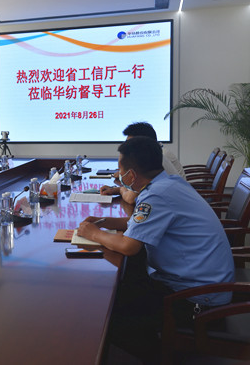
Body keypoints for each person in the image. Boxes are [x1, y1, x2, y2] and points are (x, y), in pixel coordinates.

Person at [77, 136, 234, 362]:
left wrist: (93, 234)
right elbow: (140, 224)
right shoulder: (168, 184)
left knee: (105, 316)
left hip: (199, 301)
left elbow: (129, 246)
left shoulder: (156, 195)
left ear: (131, 175)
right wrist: (104, 222)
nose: (118, 176)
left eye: (120, 170)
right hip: (202, 285)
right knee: (122, 288)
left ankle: (158, 357)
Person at [100, 122, 185, 204]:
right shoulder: (156, 154)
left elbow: (131, 198)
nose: (126, 147)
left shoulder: (153, 160)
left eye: (130, 144)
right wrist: (117, 189)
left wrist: (120, 189)